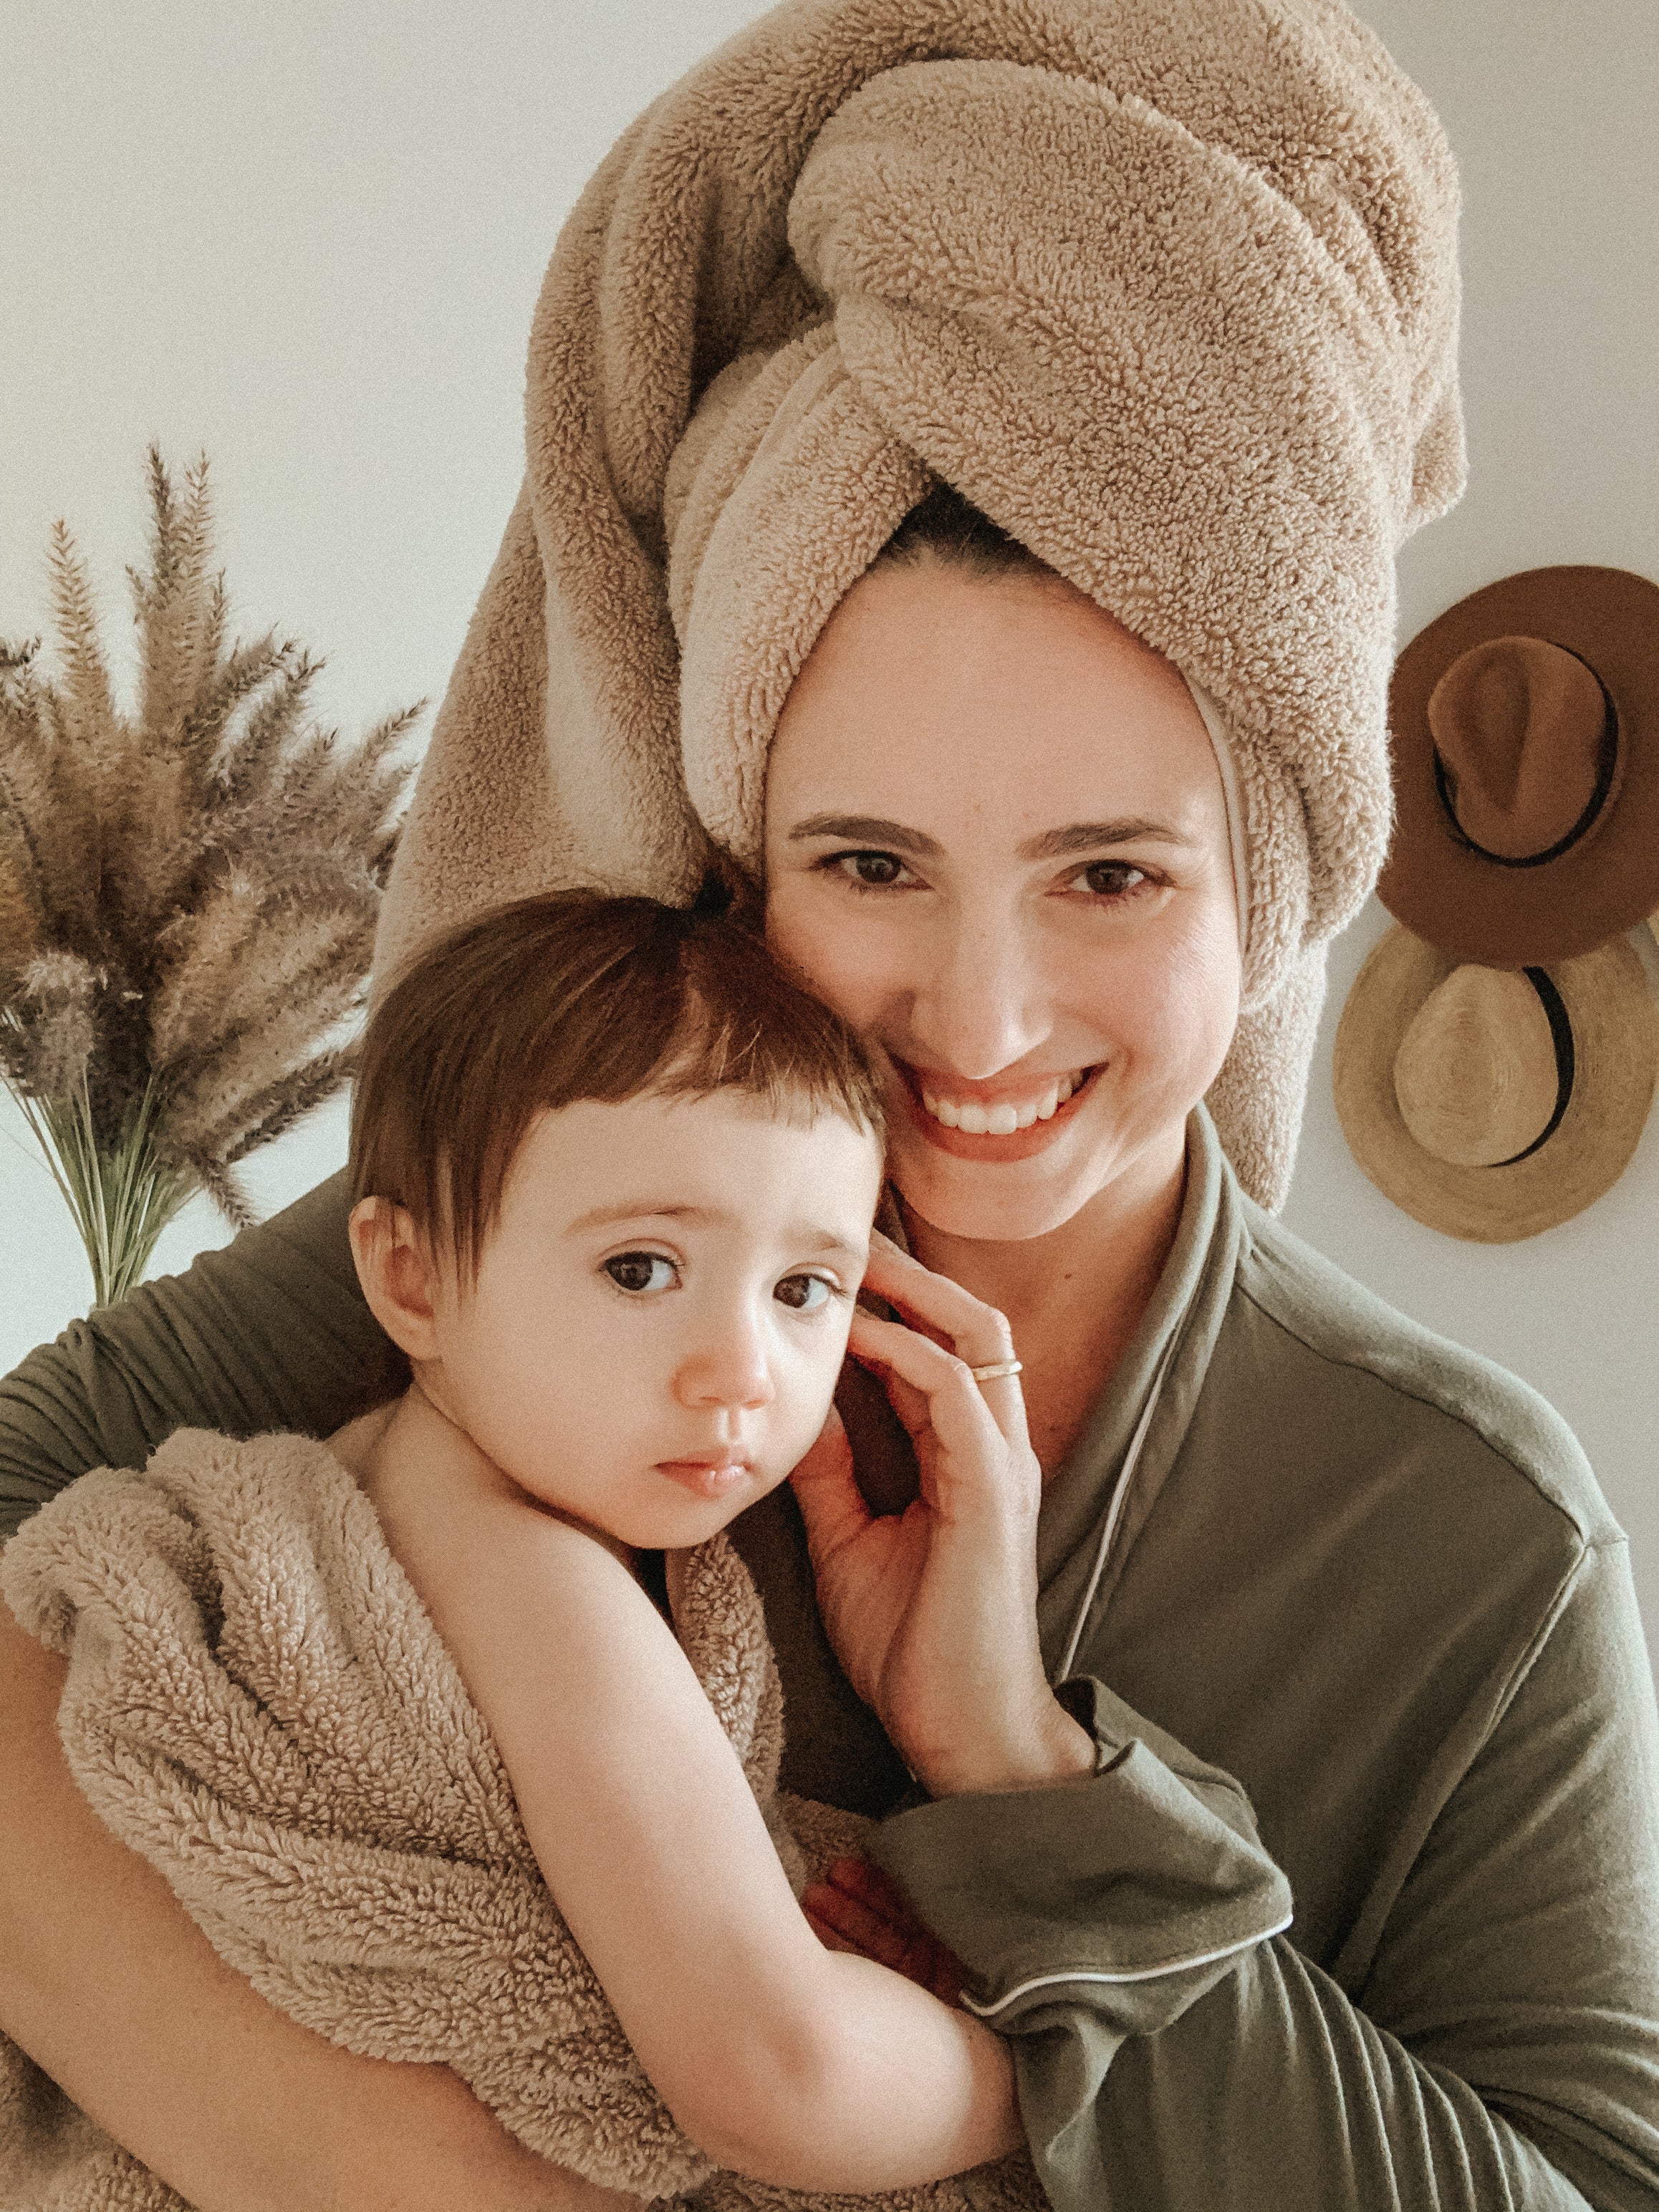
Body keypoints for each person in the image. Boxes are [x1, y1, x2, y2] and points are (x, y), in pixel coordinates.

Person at [4, 4, 1658, 2209]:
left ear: (1269, 886)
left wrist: (1027, 1779)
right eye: (867, 865)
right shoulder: (533, 1238)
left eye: (1109, 875)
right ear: (738, 840)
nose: (973, 1023)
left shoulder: (1458, 1546)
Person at [1, 886, 1044, 2203]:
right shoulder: (539, 1579)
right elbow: (783, 2081)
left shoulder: (422, 1479)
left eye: (803, 1290)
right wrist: (1035, 2057)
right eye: (642, 1270)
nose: (741, 1370)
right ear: (415, 1277)